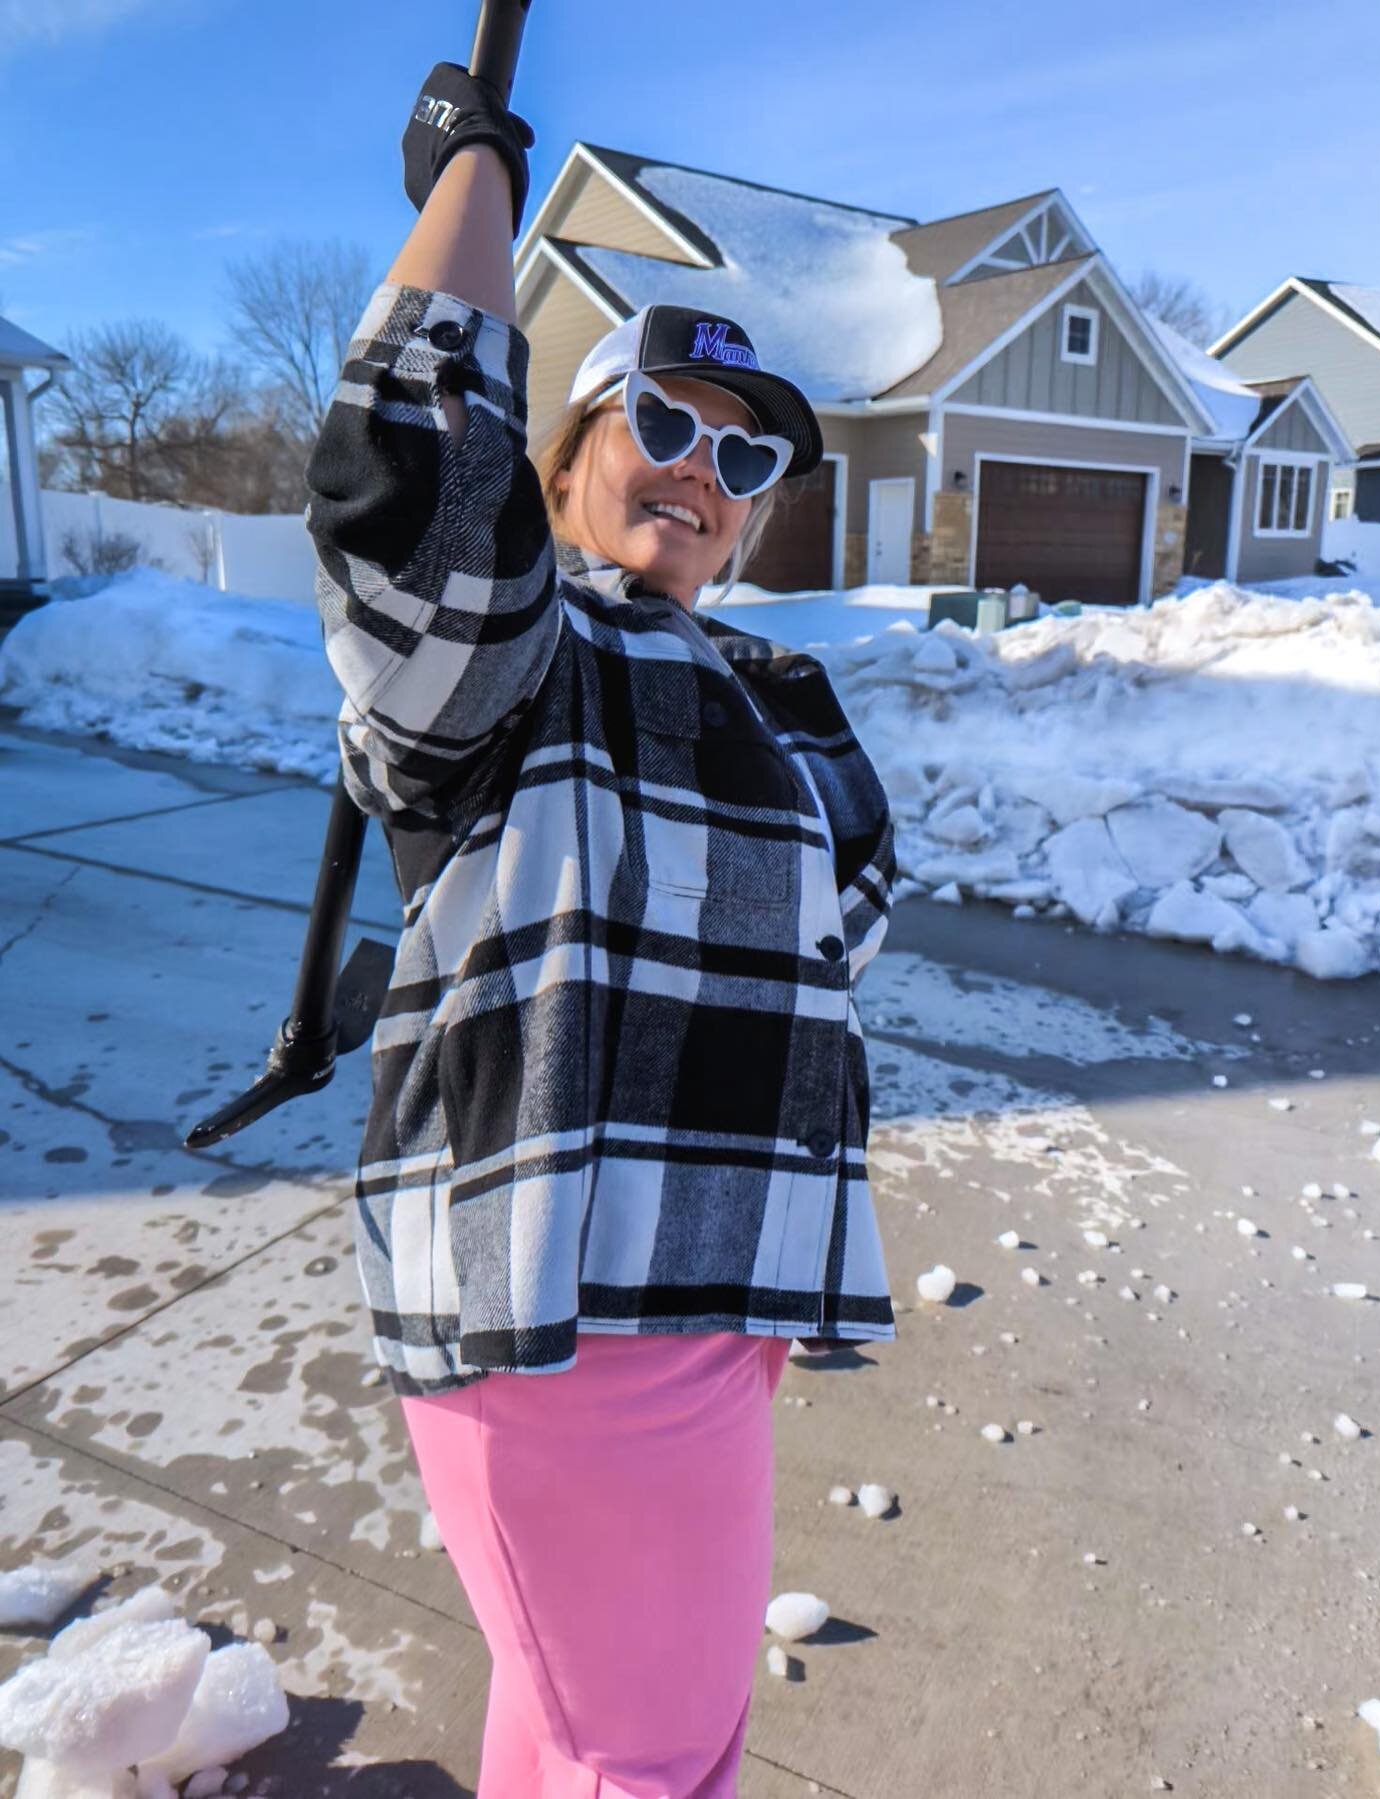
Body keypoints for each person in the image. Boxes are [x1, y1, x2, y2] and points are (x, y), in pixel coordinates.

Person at [306, 59, 897, 1799]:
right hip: (568, 1305)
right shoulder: (515, 654)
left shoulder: (773, 682)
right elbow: (410, 483)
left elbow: (829, 934)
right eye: (663, 422)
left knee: (585, 1733)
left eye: (748, 457)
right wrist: (478, 175)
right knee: (650, 1761)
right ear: (564, 458)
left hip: (713, 1298)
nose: (705, 471)